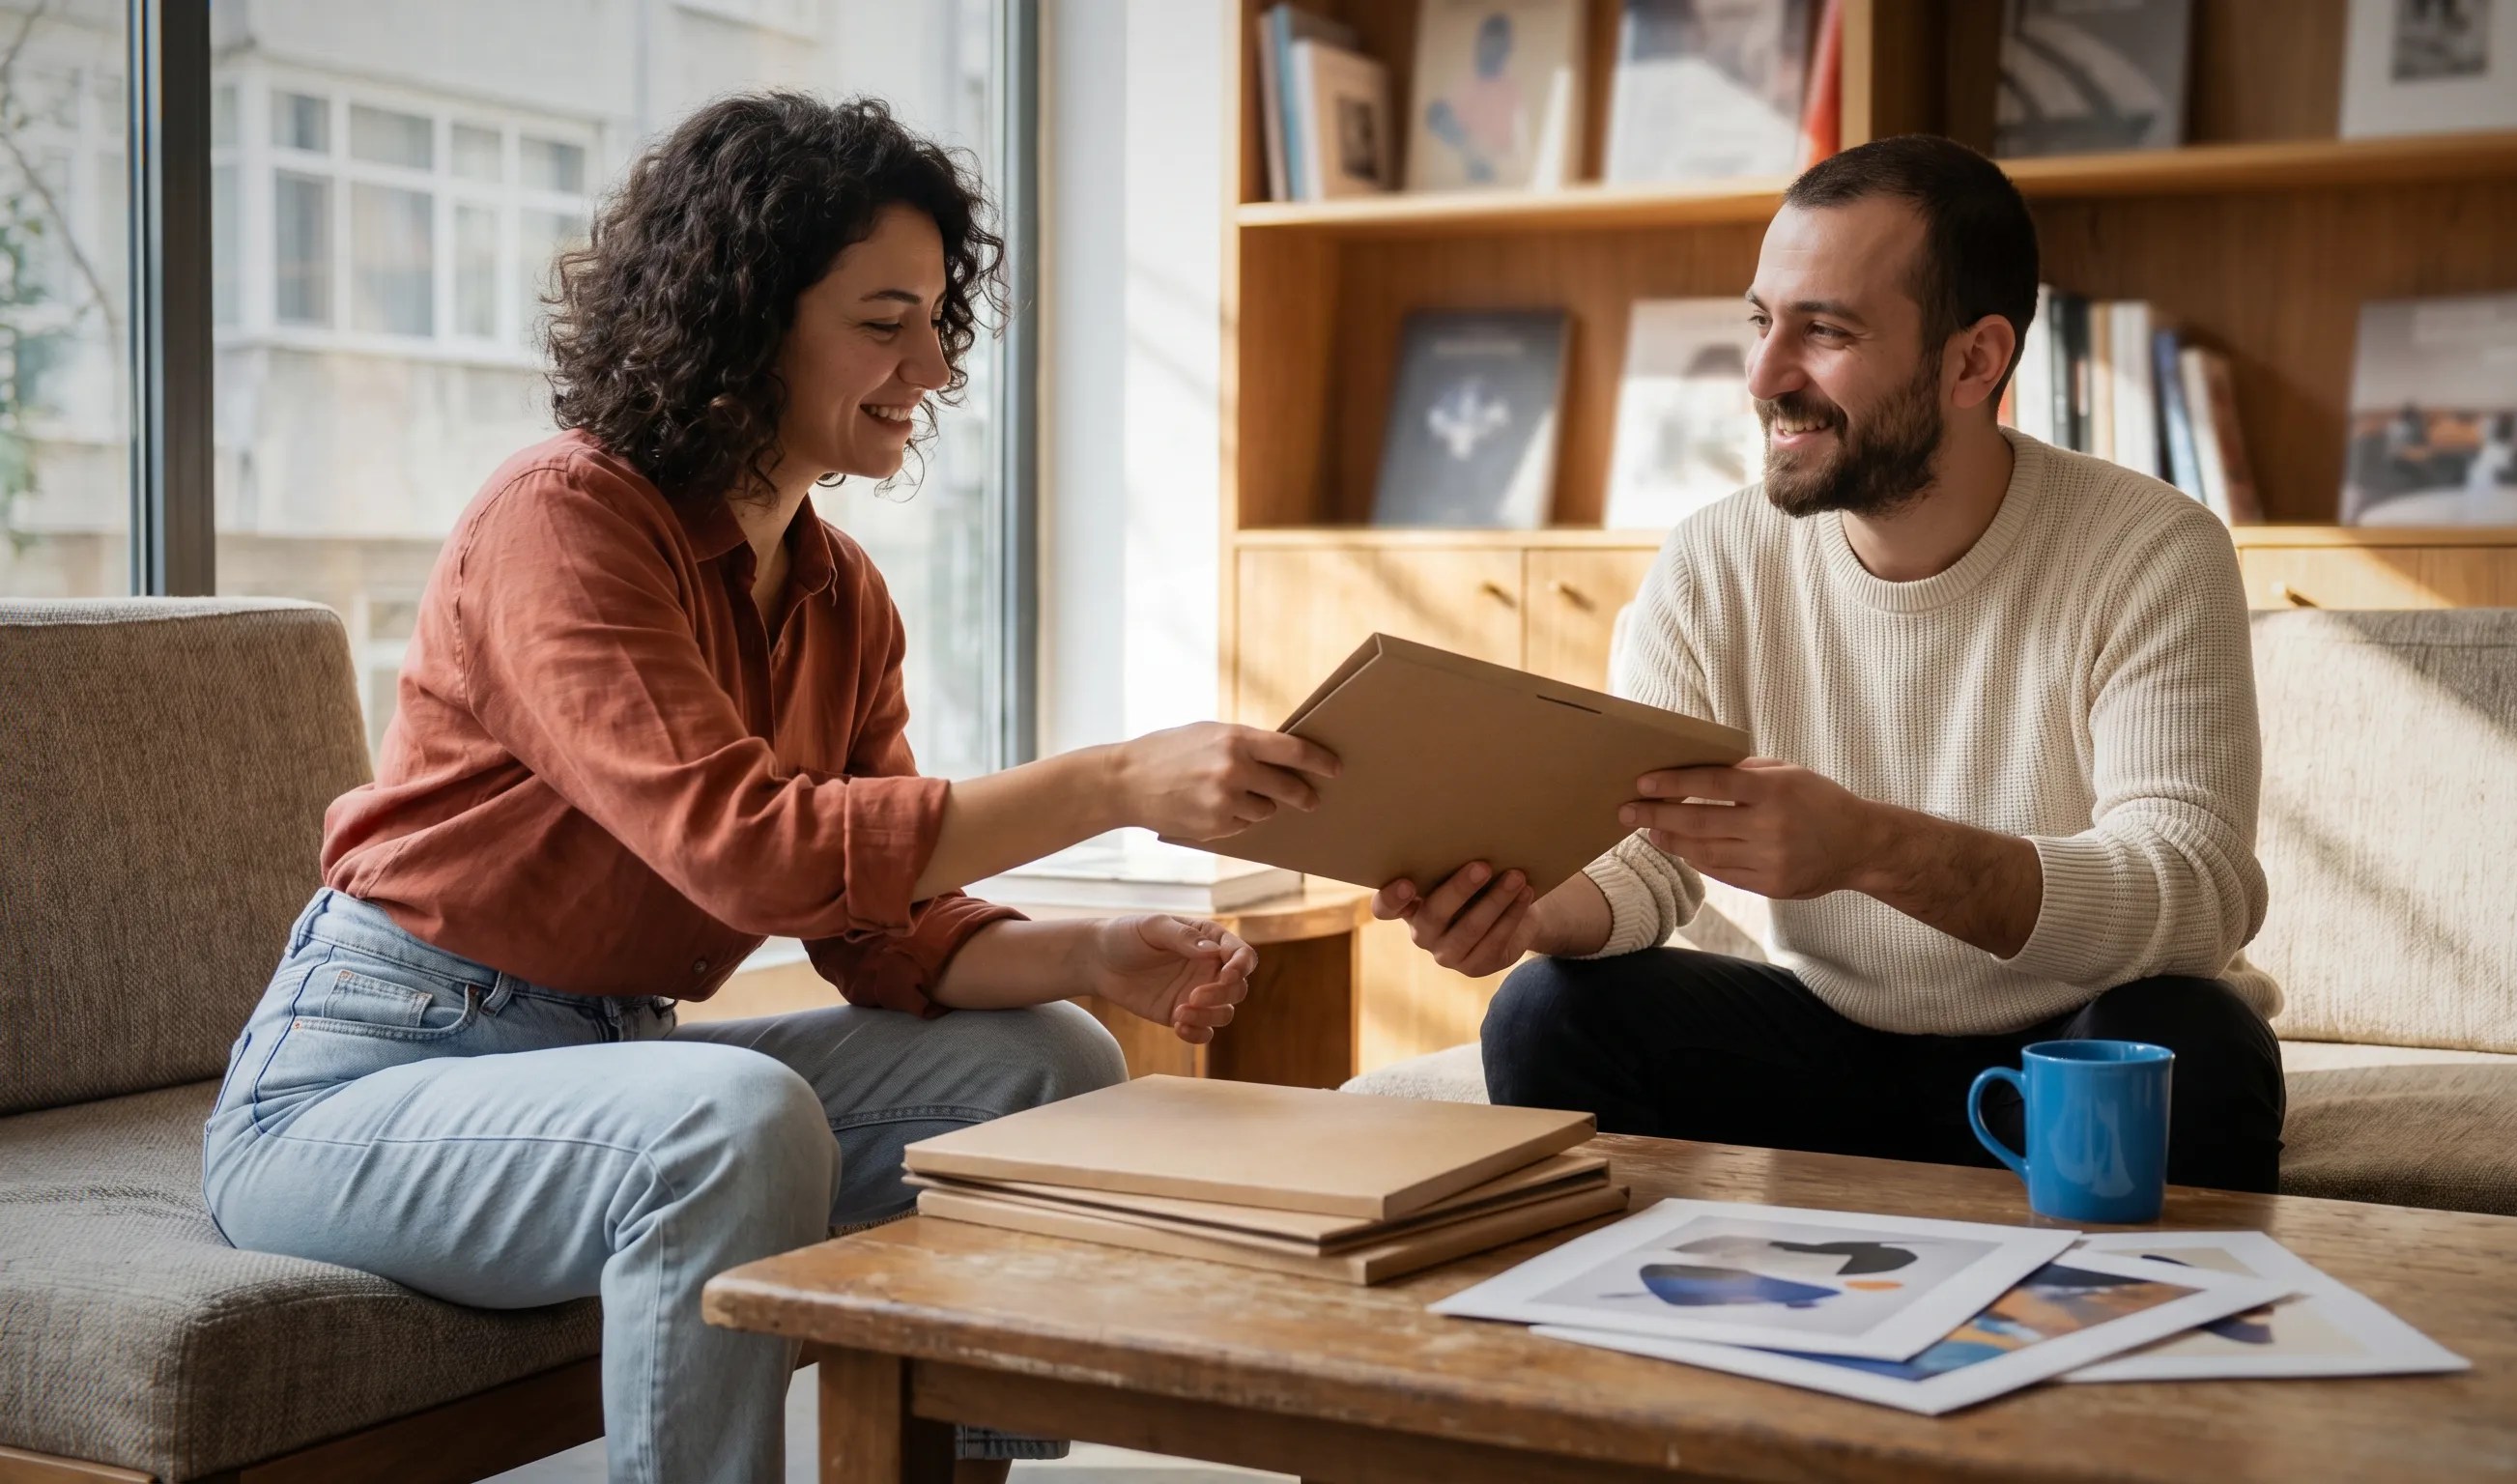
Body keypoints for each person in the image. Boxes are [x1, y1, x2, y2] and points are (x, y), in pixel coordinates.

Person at [200, 94, 1338, 1484]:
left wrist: (1095, 953)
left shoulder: (839, 591)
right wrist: (1113, 782)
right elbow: (746, 851)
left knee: (1053, 1062)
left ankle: (956, 1467)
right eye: (882, 321)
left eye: (935, 318)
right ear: (745, 319)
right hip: (370, 1080)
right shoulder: (563, 519)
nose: (931, 364)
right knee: (726, 1119)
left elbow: (879, 934)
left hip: (613, 1057)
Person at [1373, 133, 2284, 1193]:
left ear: (1973, 360)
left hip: (2061, 1047)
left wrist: (1869, 849)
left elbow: (2192, 889)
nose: (1763, 377)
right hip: (1826, 1045)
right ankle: (1637, 1337)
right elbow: (1647, 852)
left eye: (1825, 331)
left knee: (2194, 1041)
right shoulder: (1715, 556)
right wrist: (1528, 908)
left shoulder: (2149, 549)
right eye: (1761, 321)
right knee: (1549, 1008)